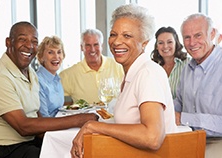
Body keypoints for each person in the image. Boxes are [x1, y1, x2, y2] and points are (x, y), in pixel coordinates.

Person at [70, 4, 178, 158]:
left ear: (145, 43)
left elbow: (152, 137)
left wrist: (93, 126)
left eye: (127, 36)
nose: (116, 42)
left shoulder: (147, 73)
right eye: (113, 34)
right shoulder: (133, 73)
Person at [0, 21, 98, 158]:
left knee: (78, 150)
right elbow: (23, 126)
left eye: (34, 42)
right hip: (6, 148)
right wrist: (78, 120)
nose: (29, 46)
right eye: (22, 40)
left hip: (30, 142)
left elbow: (37, 115)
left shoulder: (30, 73)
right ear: (8, 42)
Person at [174, 13, 222, 158]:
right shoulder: (187, 68)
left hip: (217, 143)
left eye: (198, 35)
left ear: (212, 33)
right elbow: (178, 103)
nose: (192, 43)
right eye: (187, 37)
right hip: (189, 139)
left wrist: (183, 118)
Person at [59, 28, 124, 105]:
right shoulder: (67, 75)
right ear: (81, 47)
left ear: (101, 46)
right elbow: (62, 105)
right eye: (88, 45)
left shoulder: (119, 66)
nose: (92, 50)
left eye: (96, 45)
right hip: (84, 117)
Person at [151, 26, 190, 99]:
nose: (165, 46)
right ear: (156, 46)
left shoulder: (188, 64)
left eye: (169, 42)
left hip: (182, 110)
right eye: (160, 43)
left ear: (176, 43)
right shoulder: (152, 67)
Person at [36, 36, 65, 117]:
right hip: (49, 128)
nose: (56, 57)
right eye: (50, 52)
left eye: (59, 52)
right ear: (41, 57)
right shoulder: (38, 81)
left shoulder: (56, 79)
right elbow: (44, 118)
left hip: (58, 124)